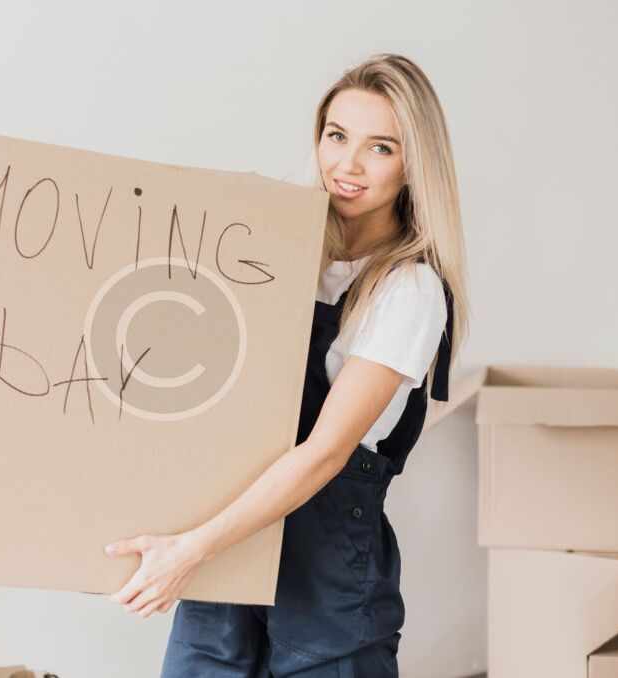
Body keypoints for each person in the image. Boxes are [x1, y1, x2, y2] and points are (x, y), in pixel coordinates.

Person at [103, 52, 470, 677]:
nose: (348, 165)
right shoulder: (271, 259)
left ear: (414, 164)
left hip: (322, 589)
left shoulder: (407, 289)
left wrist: (190, 550)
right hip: (226, 562)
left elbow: (325, 454)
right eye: (337, 136)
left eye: (380, 147)